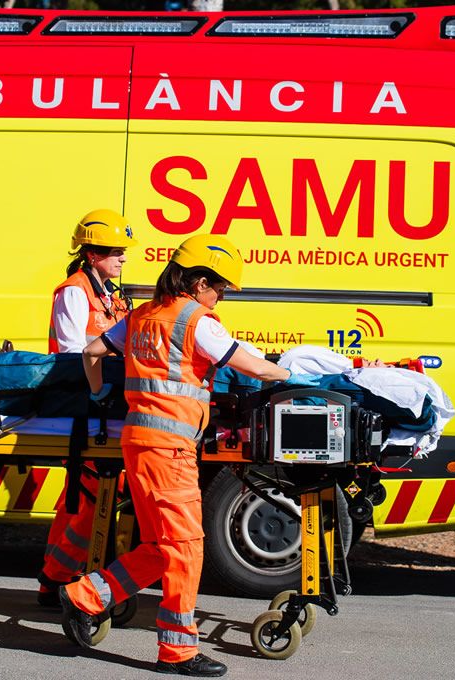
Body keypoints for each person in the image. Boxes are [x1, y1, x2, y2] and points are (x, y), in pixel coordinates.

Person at [59, 234, 309, 677]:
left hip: (139, 442)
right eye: (220, 288)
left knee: (161, 547)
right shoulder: (197, 320)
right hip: (168, 450)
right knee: (188, 547)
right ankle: (177, 651)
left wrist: (99, 393)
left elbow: (92, 350)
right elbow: (250, 366)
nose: (221, 297)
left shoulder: (141, 315)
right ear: (198, 282)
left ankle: (86, 596)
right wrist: (291, 373)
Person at [37, 209, 136, 607]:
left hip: (102, 405)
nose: (123, 258)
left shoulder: (110, 294)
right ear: (92, 254)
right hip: (84, 404)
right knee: (85, 497)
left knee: (76, 498)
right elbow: (71, 352)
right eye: (115, 251)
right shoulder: (74, 291)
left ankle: (53, 580)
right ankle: (56, 577)